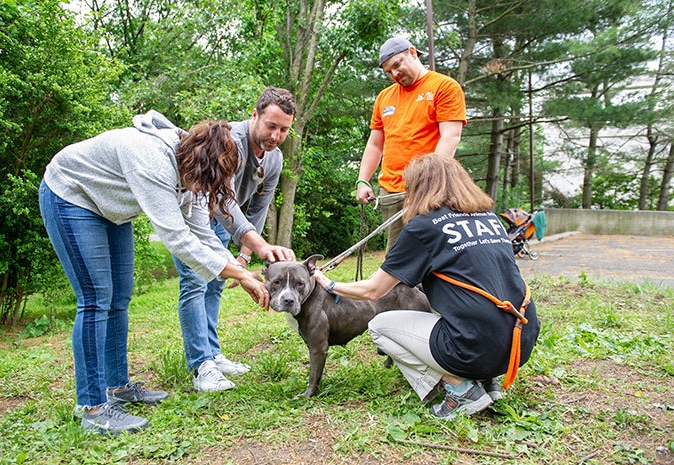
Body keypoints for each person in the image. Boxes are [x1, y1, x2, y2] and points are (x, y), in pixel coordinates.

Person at [39, 111, 294, 435]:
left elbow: (201, 233)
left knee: (120, 297)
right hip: (71, 195)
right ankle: (92, 408)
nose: (208, 191)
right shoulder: (152, 160)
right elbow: (177, 238)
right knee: (96, 298)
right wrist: (238, 275)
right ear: (201, 165)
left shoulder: (195, 173)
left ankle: (118, 388)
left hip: (110, 210)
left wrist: (239, 271)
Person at [314, 154, 540, 419]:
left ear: (418, 187)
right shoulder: (490, 219)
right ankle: (487, 379)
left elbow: (373, 291)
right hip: (521, 340)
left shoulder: (424, 227)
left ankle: (460, 389)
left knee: (379, 326)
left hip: (476, 346)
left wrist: (328, 283)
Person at [175, 87, 296, 392]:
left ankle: (213, 354)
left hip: (228, 225)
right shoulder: (231, 142)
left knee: (215, 284)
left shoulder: (275, 158)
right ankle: (200, 364)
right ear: (255, 115)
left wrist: (243, 256)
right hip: (196, 214)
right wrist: (259, 246)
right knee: (194, 282)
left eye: (284, 130)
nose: (276, 136)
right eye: (271, 126)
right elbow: (221, 202)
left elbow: (258, 207)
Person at [355, 37, 467, 254]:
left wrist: (430, 182)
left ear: (413, 53)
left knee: (434, 254)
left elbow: (450, 136)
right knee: (398, 257)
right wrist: (362, 180)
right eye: (389, 72)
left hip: (431, 190)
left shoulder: (444, 87)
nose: (395, 74)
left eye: (397, 65)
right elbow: (375, 144)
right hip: (391, 191)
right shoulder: (384, 98)